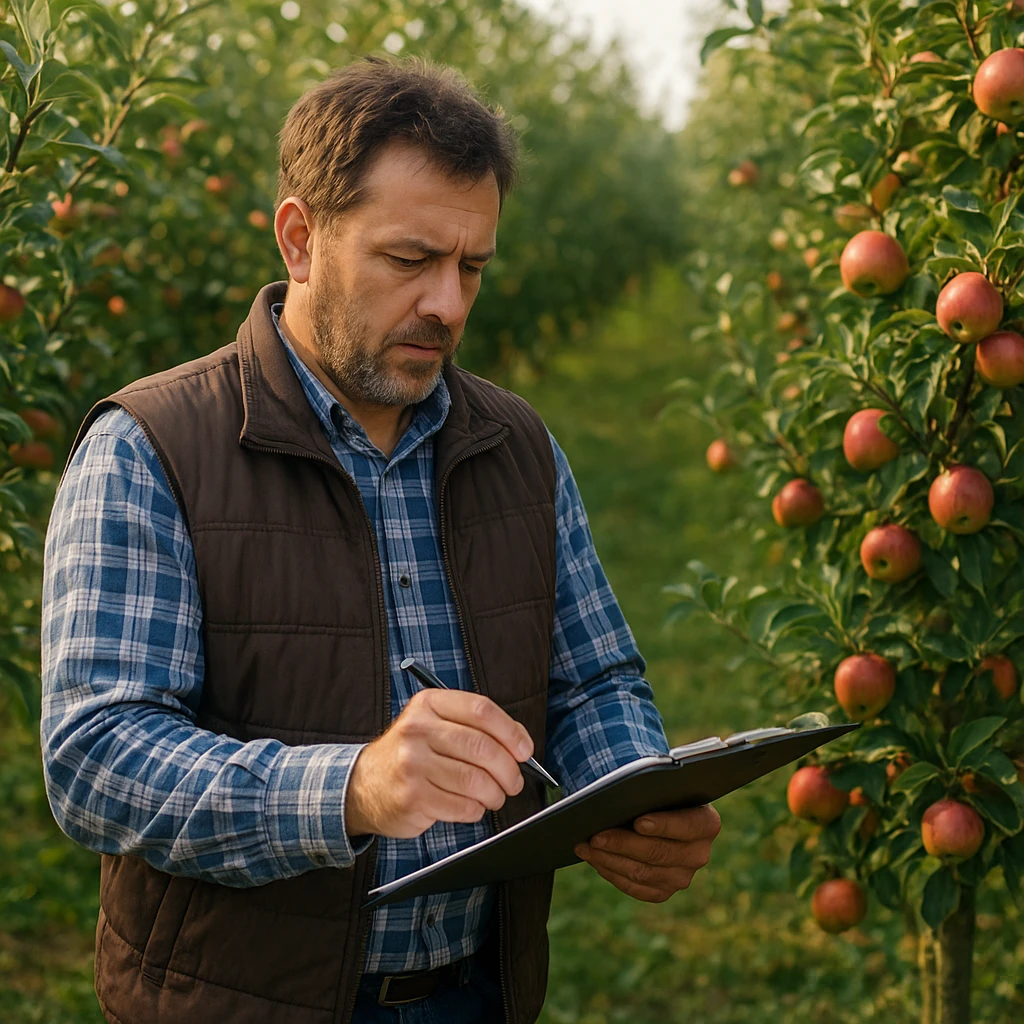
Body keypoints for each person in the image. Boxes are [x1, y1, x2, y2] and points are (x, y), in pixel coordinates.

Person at [40, 56, 721, 1024]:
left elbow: (591, 679)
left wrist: (629, 794)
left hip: (474, 992)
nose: (449, 304)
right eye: (410, 261)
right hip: (238, 1002)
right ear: (300, 238)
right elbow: (97, 758)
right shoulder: (153, 449)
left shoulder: (516, 445)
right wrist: (350, 788)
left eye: (472, 267)